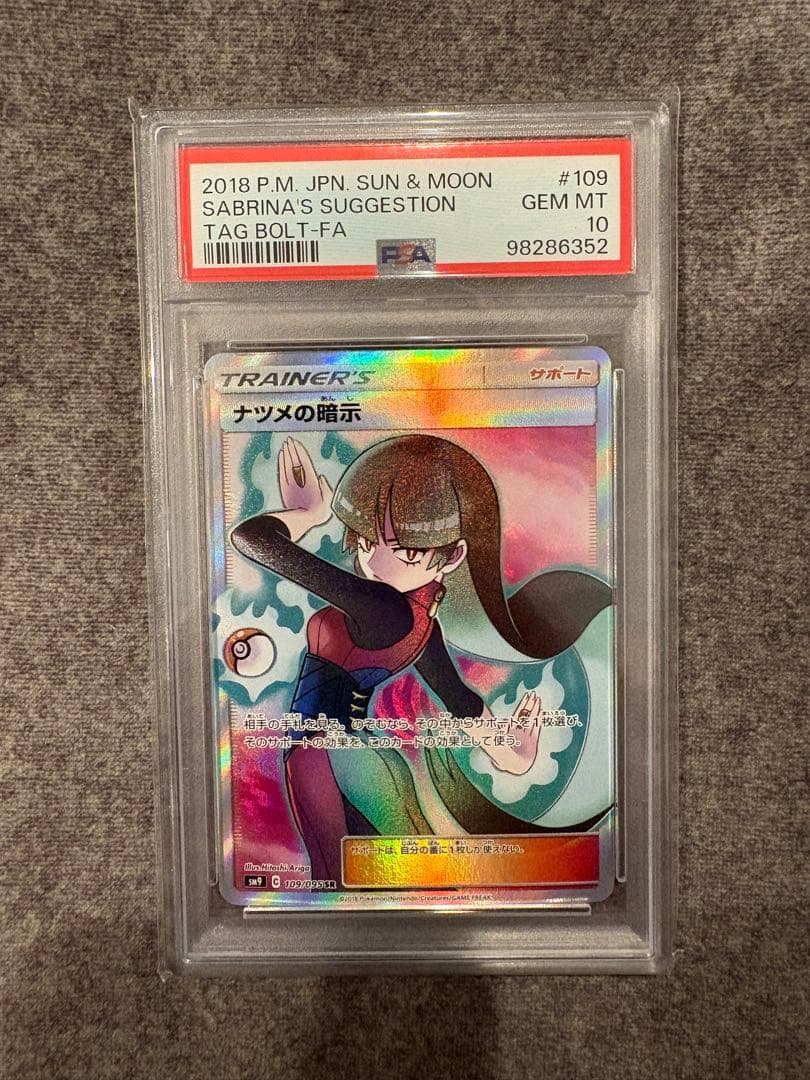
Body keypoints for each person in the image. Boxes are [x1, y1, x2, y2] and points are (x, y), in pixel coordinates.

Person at [231, 434, 612, 884]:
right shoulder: (422, 625)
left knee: (339, 880)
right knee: (381, 878)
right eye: (366, 541)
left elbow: (250, 538)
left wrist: (307, 515)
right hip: (362, 760)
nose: (375, 561)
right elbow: (463, 705)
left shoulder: (384, 606)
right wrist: (513, 755)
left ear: (453, 556)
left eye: (406, 550)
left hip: (328, 762)